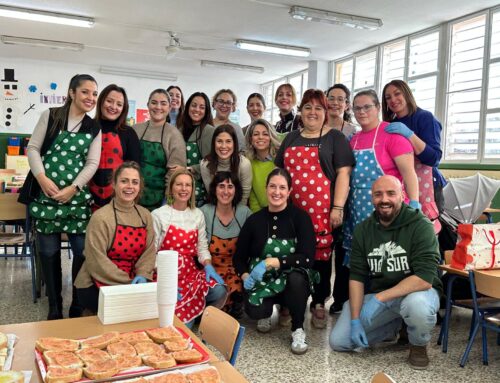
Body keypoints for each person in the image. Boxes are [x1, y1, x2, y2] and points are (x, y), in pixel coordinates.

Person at [329, 175, 442, 370]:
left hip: (417, 293)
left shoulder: (421, 225)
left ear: (402, 195)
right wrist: (355, 319)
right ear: (372, 198)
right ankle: (397, 326)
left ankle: (418, 344)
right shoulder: (363, 230)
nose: (384, 199)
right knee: (339, 341)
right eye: (378, 194)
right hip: (384, 298)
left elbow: (425, 279)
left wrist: (380, 298)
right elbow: (356, 277)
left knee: (416, 306)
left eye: (391, 193)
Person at [275, 89, 354, 329]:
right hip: (291, 211)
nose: (312, 112)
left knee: (321, 258)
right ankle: (288, 299)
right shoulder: (290, 138)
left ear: (326, 111)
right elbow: (280, 173)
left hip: (323, 211)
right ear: (301, 111)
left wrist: (338, 207)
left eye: (318, 108)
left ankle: (318, 302)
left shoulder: (335, 138)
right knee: (290, 253)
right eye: (307, 107)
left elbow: (344, 174)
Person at [25, 74, 101, 320]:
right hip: (46, 196)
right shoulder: (51, 115)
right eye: (85, 92)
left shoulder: (93, 127)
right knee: (48, 252)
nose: (91, 98)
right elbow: (33, 148)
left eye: (94, 94)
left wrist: (74, 188)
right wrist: (42, 177)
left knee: (81, 251)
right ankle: (54, 306)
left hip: (75, 199)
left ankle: (77, 303)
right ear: (71, 93)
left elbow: (92, 163)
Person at [233, 168, 316, 355]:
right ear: (266, 188)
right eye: (272, 186)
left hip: (290, 280)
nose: (276, 192)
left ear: (289, 191)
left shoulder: (300, 218)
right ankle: (266, 311)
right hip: (262, 281)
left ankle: (297, 328)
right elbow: (238, 257)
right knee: (255, 312)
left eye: (282, 187)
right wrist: (245, 274)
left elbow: (308, 258)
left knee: (297, 279)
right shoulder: (254, 220)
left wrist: (272, 262)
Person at [343, 89, 419, 266]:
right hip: (358, 212)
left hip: (388, 211)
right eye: (357, 108)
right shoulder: (353, 140)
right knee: (362, 266)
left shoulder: (392, 135)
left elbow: (409, 173)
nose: (362, 112)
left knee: (386, 264)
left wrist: (414, 202)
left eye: (367, 107)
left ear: (377, 107)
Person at [75, 161, 156, 313]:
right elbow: (96, 261)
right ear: (113, 184)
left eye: (135, 182)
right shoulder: (101, 217)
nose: (129, 186)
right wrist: (129, 283)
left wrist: (143, 275)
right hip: (97, 279)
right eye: (124, 181)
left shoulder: (145, 215)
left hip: (135, 278)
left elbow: (149, 251)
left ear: (140, 187)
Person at [152, 169, 228, 327]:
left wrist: (208, 265)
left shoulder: (197, 214)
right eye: (179, 184)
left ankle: (201, 315)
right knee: (184, 326)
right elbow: (151, 253)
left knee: (219, 290)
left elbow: (202, 247)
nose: (184, 189)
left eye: (188, 185)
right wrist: (166, 284)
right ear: (171, 188)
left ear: (193, 190)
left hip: (190, 274)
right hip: (165, 275)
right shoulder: (158, 215)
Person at [382, 79, 445, 233]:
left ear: (407, 94)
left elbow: (434, 159)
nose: (393, 100)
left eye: (397, 94)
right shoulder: (390, 124)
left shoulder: (425, 118)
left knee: (427, 234)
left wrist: (409, 135)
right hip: (401, 186)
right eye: (388, 97)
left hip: (428, 186)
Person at [200, 172, 252, 318]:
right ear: (214, 189)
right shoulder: (205, 212)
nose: (225, 191)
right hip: (211, 269)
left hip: (236, 269)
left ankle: (235, 303)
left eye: (230, 186)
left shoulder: (245, 213)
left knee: (239, 289)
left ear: (236, 190)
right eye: (221, 186)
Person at [325, 83, 357, 315]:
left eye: (341, 99)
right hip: (319, 198)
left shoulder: (353, 132)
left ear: (347, 105)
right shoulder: (317, 127)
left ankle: (340, 298)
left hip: (347, 198)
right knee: (323, 250)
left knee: (343, 250)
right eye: (331, 98)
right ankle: (320, 296)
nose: (335, 102)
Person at [89, 84, 141, 210]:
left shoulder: (129, 133)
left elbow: (135, 169)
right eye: (109, 101)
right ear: (101, 101)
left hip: (118, 200)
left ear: (124, 108)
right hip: (86, 197)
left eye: (119, 104)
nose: (113, 107)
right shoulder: (87, 127)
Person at [133, 89, 186, 210]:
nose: (158, 107)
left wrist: (168, 204)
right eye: (154, 102)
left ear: (169, 106)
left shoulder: (174, 135)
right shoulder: (135, 129)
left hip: (160, 201)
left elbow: (175, 176)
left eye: (163, 103)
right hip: (132, 196)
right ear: (148, 105)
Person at [178, 92, 215, 206]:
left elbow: (213, 161)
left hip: (198, 191)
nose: (197, 109)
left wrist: (190, 169)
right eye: (194, 105)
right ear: (188, 106)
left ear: (206, 111)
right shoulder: (179, 128)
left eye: (202, 107)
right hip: (179, 186)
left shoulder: (209, 130)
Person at [200, 125, 252, 206]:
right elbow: (212, 193)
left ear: (234, 143)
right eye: (219, 141)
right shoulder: (205, 164)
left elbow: (244, 197)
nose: (224, 146)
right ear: (214, 143)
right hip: (216, 206)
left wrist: (236, 215)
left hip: (238, 207)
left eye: (228, 141)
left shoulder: (244, 164)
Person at [245, 118, 281, 213]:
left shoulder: (280, 160)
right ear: (250, 139)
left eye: (265, 134)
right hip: (261, 214)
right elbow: (252, 197)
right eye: (256, 134)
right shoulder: (249, 163)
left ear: (271, 137)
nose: (260, 137)